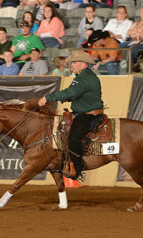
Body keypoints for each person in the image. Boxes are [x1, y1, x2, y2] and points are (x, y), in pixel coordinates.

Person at [38, 50, 104, 179]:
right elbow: (80, 94)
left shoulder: (83, 78)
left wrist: (47, 98)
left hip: (88, 114)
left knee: (73, 138)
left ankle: (77, 170)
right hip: (83, 111)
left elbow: (70, 92)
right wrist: (70, 99)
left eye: (74, 62)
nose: (72, 65)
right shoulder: (85, 76)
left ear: (84, 64)